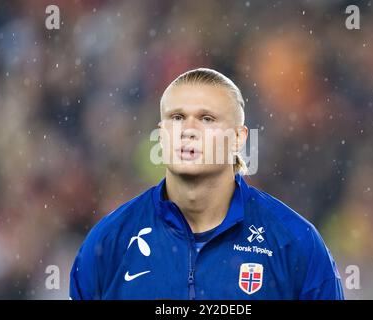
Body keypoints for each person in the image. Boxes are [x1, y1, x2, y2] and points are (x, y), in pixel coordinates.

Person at [70, 68, 344, 299]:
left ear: (238, 138)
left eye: (207, 119)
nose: (188, 130)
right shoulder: (109, 242)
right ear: (162, 133)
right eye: (177, 118)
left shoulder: (294, 243)